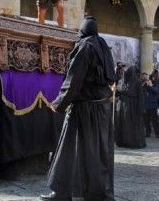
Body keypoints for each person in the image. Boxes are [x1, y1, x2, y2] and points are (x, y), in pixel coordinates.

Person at [41, 16, 115, 201]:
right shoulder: (103, 47)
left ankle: (61, 192)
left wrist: (58, 103)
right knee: (98, 152)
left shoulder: (84, 47)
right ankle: (97, 194)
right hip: (102, 109)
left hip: (83, 109)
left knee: (68, 150)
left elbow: (73, 79)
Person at [115, 66, 147, 148]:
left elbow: (140, 96)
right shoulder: (123, 81)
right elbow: (119, 92)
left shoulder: (137, 82)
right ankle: (123, 141)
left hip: (132, 106)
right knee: (124, 124)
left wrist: (141, 108)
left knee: (132, 125)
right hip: (123, 105)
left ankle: (133, 142)